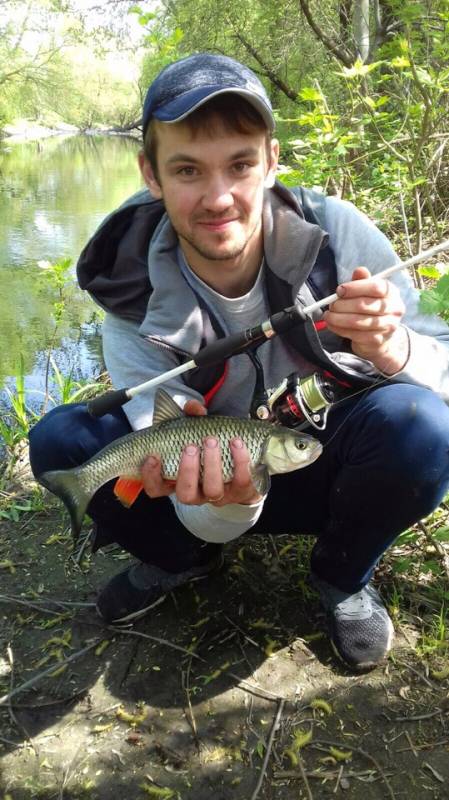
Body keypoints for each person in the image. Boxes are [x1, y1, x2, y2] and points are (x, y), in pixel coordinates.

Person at [29, 53, 449, 672]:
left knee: (423, 424)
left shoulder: (339, 233)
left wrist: (395, 348)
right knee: (63, 441)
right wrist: (225, 508)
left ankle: (341, 576)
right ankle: (184, 558)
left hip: (324, 462)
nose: (218, 197)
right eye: (188, 170)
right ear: (151, 174)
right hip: (202, 479)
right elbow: (170, 449)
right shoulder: (129, 283)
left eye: (241, 165)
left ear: (272, 161)